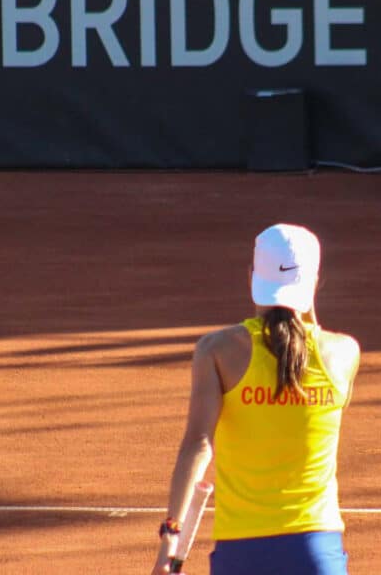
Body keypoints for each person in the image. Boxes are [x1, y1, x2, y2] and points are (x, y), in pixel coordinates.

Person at [152, 224, 360, 574]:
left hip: (241, 554)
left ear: (252, 277)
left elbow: (198, 445)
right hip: (315, 551)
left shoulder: (216, 351)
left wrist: (169, 543)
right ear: (315, 281)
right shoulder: (344, 353)